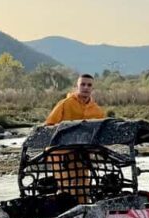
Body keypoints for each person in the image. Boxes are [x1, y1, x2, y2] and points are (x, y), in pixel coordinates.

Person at [44, 74, 106, 203]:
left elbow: (101, 134)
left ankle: (83, 211)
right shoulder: (64, 104)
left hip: (82, 153)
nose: (85, 87)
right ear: (76, 86)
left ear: (92, 88)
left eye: (89, 85)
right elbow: (49, 125)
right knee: (66, 186)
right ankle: (65, 209)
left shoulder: (97, 111)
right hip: (61, 154)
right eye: (82, 84)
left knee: (83, 185)